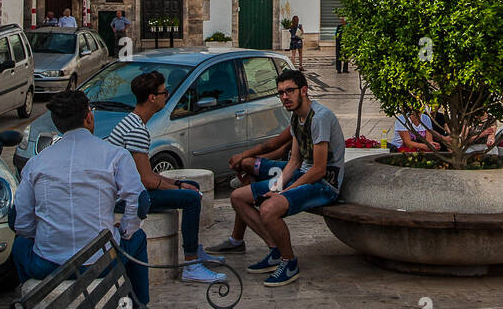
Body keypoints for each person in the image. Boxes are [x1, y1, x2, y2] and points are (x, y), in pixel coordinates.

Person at [11, 88, 149, 303]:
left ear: (57, 124)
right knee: (138, 238)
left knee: (20, 245)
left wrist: (38, 236)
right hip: (103, 261)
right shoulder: (115, 155)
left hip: (47, 265)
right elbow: (139, 201)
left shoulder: (35, 163)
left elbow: (22, 222)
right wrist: (125, 231)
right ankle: (140, 307)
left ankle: (35, 304)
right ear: (89, 117)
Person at [106, 70, 225, 284]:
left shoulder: (132, 122)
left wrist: (180, 183)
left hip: (130, 190)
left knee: (192, 186)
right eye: (164, 92)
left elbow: (146, 175)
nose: (166, 96)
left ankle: (195, 251)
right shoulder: (136, 131)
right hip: (125, 199)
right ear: (152, 98)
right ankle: (191, 264)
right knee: (190, 198)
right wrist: (179, 189)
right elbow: (146, 180)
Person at [230, 70, 345, 289]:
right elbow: (294, 162)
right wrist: (278, 185)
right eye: (281, 93)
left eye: (289, 91)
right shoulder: (296, 117)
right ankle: (276, 249)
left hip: (325, 184)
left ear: (304, 90)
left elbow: (319, 170)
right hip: (305, 175)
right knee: (238, 197)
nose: (285, 97)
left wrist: (283, 192)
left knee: (268, 209)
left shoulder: (319, 118)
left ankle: (289, 262)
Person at [212, 125, 294, 253]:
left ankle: (274, 246)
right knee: (247, 172)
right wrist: (252, 160)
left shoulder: (312, 118)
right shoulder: (298, 119)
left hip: (293, 172)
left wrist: (245, 157)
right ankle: (237, 240)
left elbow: (274, 146)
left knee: (246, 170)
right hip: (286, 169)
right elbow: (280, 149)